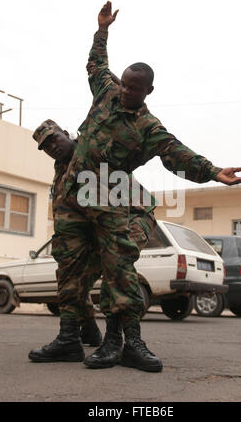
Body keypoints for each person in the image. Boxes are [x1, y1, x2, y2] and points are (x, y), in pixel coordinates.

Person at [29, 1, 241, 373]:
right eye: (124, 84)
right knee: (68, 266)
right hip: (71, 197)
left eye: (134, 89)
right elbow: (96, 64)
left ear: (148, 90)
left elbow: (177, 152)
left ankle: (130, 341)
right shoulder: (106, 91)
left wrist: (212, 171)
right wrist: (102, 30)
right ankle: (68, 339)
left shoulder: (148, 127)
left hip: (108, 197)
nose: (126, 92)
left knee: (119, 268)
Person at [30, 121, 157, 366]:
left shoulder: (91, 152)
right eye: (46, 146)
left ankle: (121, 341)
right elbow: (67, 223)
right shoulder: (62, 171)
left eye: (54, 138)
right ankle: (73, 336)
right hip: (96, 222)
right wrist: (67, 255)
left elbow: (109, 214)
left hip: (132, 214)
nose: (53, 146)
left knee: (116, 264)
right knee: (70, 269)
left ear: (65, 133)